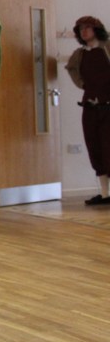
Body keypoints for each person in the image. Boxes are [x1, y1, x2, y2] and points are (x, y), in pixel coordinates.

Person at [65, 15, 110, 206]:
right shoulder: (80, 54)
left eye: (87, 28)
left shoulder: (107, 49)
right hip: (90, 108)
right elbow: (72, 69)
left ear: (96, 29)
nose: (84, 31)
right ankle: (105, 194)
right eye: (81, 29)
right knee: (95, 148)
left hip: (108, 107)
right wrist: (84, 86)